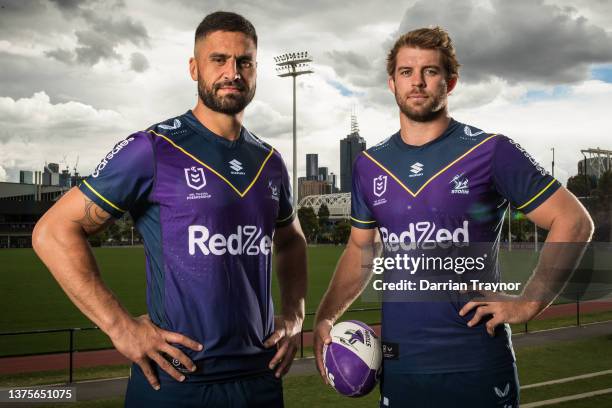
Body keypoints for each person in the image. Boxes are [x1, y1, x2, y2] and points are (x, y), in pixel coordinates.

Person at [33, 11, 307, 407]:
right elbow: (52, 232)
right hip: (177, 381)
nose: (232, 72)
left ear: (256, 70)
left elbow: (292, 242)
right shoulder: (153, 148)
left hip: (260, 379)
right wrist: (120, 327)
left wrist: (296, 315)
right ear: (194, 68)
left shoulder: (269, 160)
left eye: (244, 61)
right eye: (219, 60)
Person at [313, 27, 593, 407]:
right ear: (391, 83)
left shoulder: (491, 150)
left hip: (476, 364)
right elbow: (360, 249)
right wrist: (326, 316)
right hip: (401, 368)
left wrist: (529, 302)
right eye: (406, 72)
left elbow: (573, 221)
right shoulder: (369, 165)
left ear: (451, 81)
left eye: (430, 71)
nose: (417, 81)